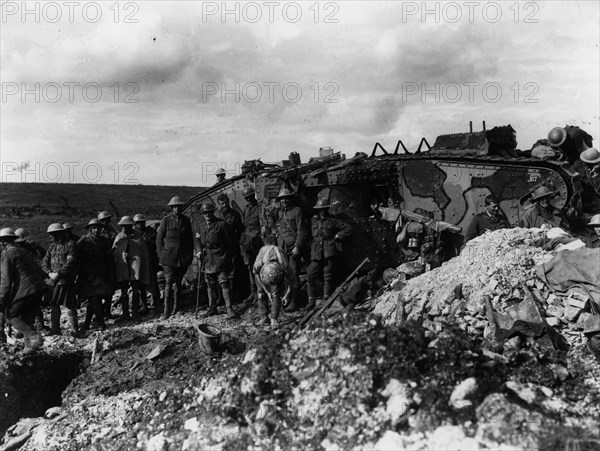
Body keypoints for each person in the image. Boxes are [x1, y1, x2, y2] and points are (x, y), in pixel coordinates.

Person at [0, 228, 45, 354]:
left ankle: (33, 337)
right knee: (27, 317)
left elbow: (5, 282)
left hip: (27, 289)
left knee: (10, 315)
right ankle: (29, 349)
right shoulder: (23, 251)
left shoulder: (7, 254)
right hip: (38, 288)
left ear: (3, 242)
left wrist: (1, 301)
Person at [306, 198, 352, 311]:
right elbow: (307, 234)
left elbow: (348, 228)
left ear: (327, 209)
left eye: (324, 209)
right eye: (321, 209)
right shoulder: (313, 220)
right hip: (316, 251)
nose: (323, 211)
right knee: (310, 276)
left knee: (328, 276)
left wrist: (338, 236)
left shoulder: (333, 220)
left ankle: (326, 300)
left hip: (329, 251)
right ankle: (311, 301)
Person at [195, 202, 238, 319]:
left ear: (213, 212)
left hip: (220, 257)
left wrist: (229, 257)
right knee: (210, 284)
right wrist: (198, 250)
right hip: (207, 259)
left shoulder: (221, 224)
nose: (207, 214)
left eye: (209, 212)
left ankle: (229, 308)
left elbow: (230, 242)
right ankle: (212, 308)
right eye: (204, 213)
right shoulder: (201, 225)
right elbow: (197, 240)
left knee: (223, 282)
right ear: (202, 214)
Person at [156, 196, 194, 319]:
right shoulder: (166, 221)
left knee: (178, 283)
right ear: (172, 208)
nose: (177, 208)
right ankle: (166, 311)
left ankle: (177, 308)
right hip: (168, 258)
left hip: (182, 258)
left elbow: (190, 240)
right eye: (175, 207)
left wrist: (189, 256)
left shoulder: (186, 220)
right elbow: (159, 240)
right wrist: (161, 256)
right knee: (168, 283)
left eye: (179, 206)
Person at [75, 219, 114, 332]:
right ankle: (101, 323)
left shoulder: (104, 241)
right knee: (93, 299)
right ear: (90, 229)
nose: (96, 230)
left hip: (101, 275)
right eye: (94, 228)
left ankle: (87, 324)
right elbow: (76, 259)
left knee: (94, 300)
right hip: (87, 277)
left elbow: (109, 259)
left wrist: (111, 274)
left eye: (98, 228)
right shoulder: (83, 242)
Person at [41, 223, 80, 337]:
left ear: (58, 234)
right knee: (54, 304)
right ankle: (56, 329)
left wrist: (59, 274)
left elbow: (70, 263)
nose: (49, 237)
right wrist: (49, 273)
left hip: (65, 281)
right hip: (54, 280)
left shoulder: (70, 244)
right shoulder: (52, 246)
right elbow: (44, 261)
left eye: (51, 234)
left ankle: (74, 329)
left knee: (69, 304)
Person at [275, 187, 309, 312]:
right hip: (283, 248)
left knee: (293, 275)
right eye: (282, 198)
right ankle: (287, 299)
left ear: (290, 198)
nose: (283, 200)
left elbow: (302, 231)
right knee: (284, 275)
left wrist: (297, 247)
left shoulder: (297, 211)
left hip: (293, 248)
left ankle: (295, 302)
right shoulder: (280, 213)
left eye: (286, 198)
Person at [112, 216, 152, 320]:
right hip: (123, 269)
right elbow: (114, 252)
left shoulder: (138, 237)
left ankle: (135, 312)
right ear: (121, 226)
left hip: (136, 268)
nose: (126, 228)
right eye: (124, 226)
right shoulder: (119, 237)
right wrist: (121, 255)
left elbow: (144, 253)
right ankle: (125, 314)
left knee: (135, 290)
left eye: (128, 226)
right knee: (124, 291)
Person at [253, 241, 295, 328]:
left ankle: (274, 318)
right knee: (260, 294)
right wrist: (266, 290)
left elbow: (292, 280)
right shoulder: (259, 263)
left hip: (276, 272)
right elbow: (256, 274)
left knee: (276, 293)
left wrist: (287, 294)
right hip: (263, 271)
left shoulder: (284, 265)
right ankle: (264, 317)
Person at [240, 187, 264, 304]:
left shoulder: (259, 207)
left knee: (259, 267)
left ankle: (261, 292)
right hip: (247, 242)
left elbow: (263, 225)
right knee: (250, 268)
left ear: (254, 195)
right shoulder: (246, 209)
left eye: (250, 196)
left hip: (257, 242)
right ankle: (253, 292)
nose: (248, 199)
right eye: (246, 198)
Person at [134, 214, 162, 312]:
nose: (140, 225)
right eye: (138, 223)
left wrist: (147, 241)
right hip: (139, 263)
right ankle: (144, 305)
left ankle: (156, 304)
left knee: (153, 283)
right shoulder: (134, 234)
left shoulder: (151, 231)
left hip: (151, 261)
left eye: (142, 222)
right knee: (141, 285)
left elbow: (158, 243)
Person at [97, 211, 118, 319]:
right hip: (100, 263)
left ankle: (107, 311)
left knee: (110, 288)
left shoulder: (111, 229)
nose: (106, 222)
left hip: (110, 260)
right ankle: (100, 312)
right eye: (103, 220)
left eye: (107, 219)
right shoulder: (98, 231)